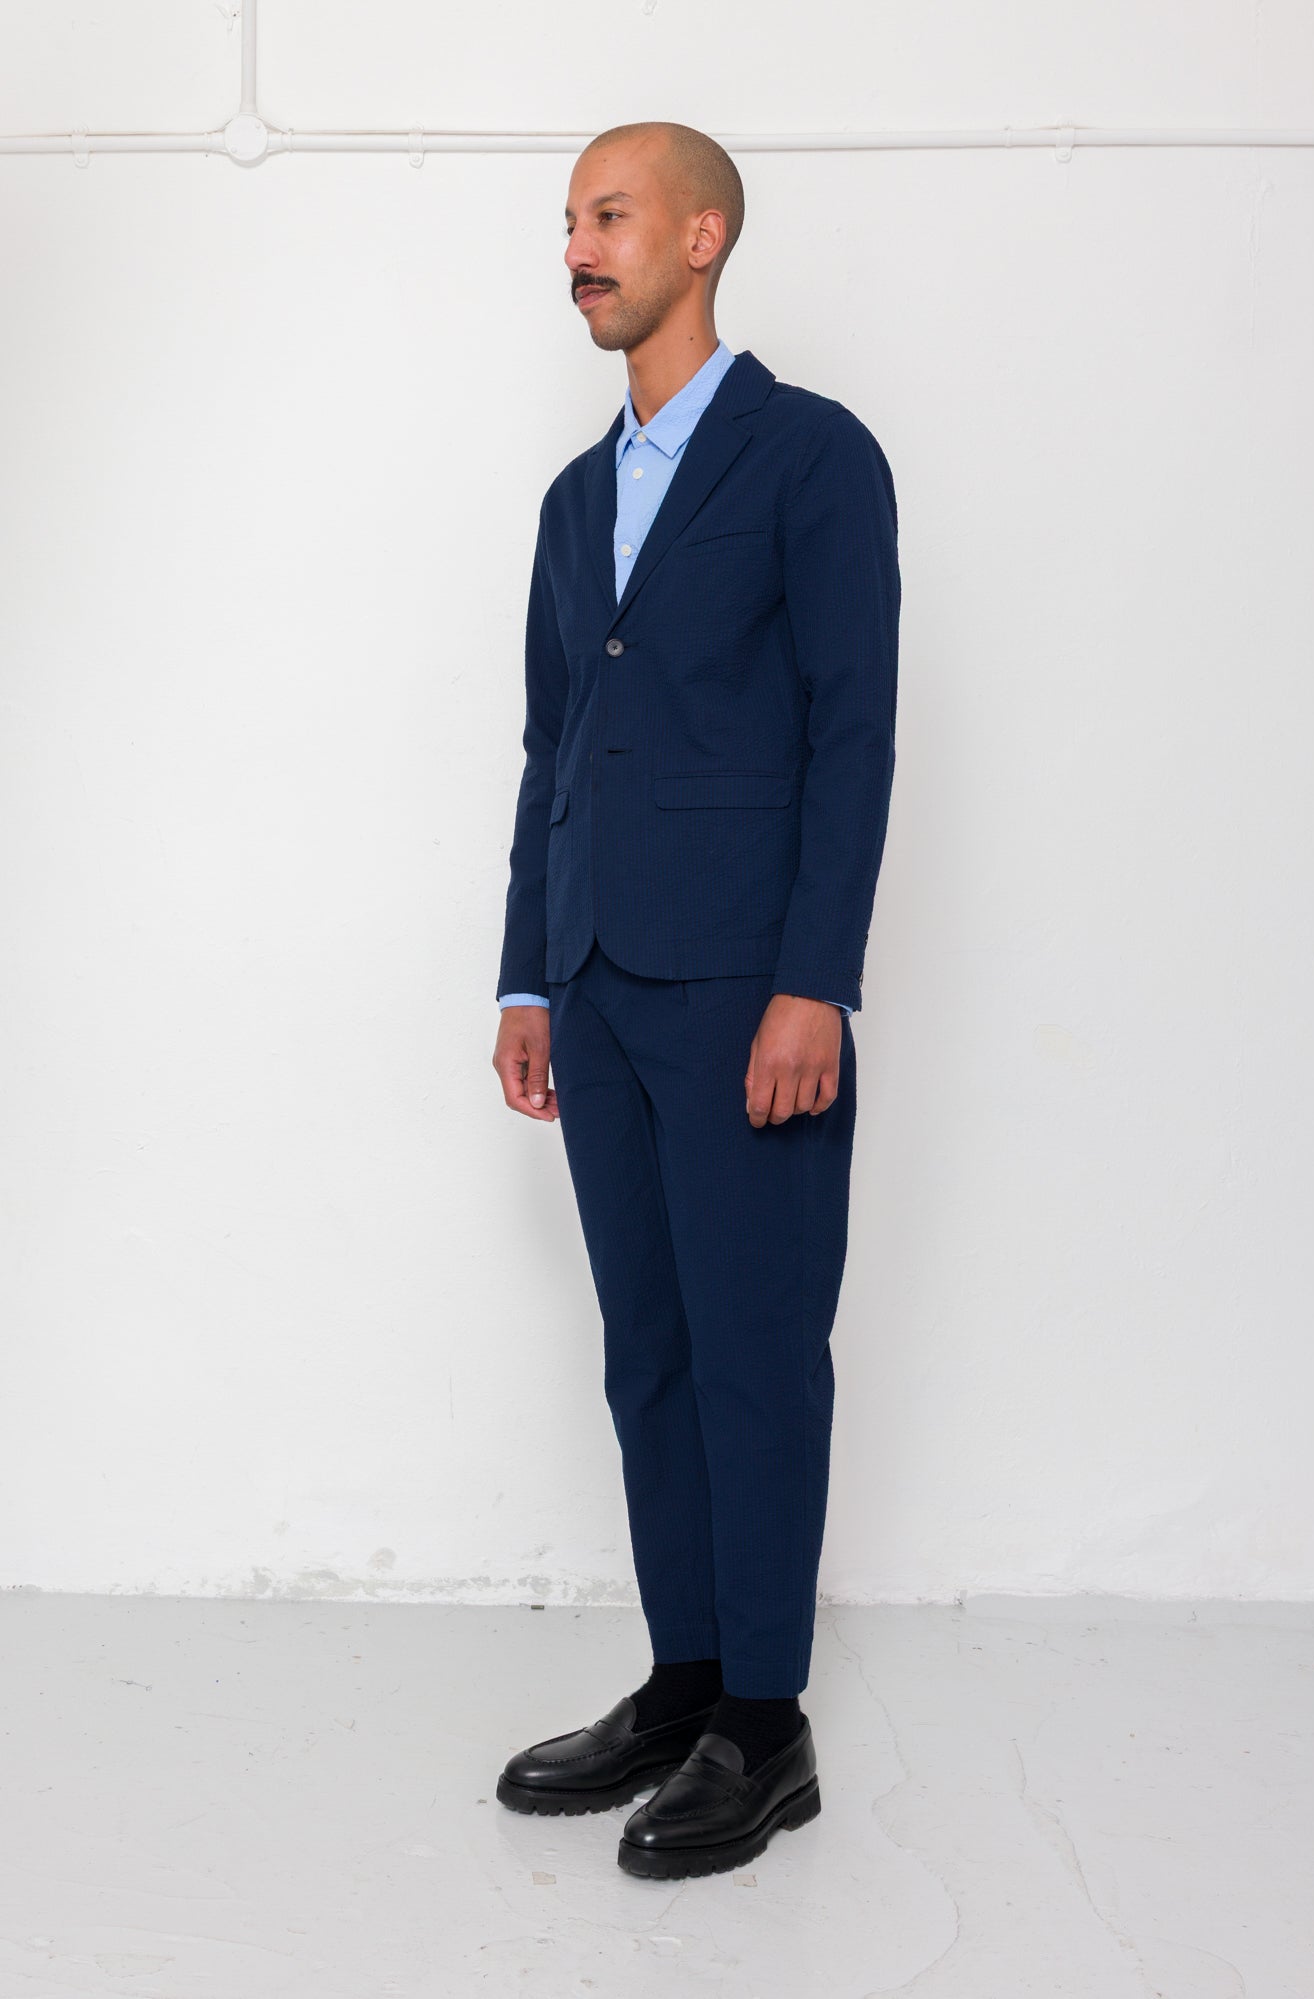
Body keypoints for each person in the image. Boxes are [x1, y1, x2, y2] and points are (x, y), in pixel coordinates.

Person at [490, 119, 900, 1879]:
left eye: (608, 214)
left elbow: (851, 730)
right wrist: (523, 964)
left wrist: (814, 981)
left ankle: (769, 1721)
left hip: (745, 991)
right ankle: (684, 1678)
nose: (576, 246)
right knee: (645, 1354)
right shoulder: (576, 498)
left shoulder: (812, 458)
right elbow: (547, 745)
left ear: (702, 236)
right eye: (569, 220)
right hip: (593, 981)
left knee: (752, 1352)